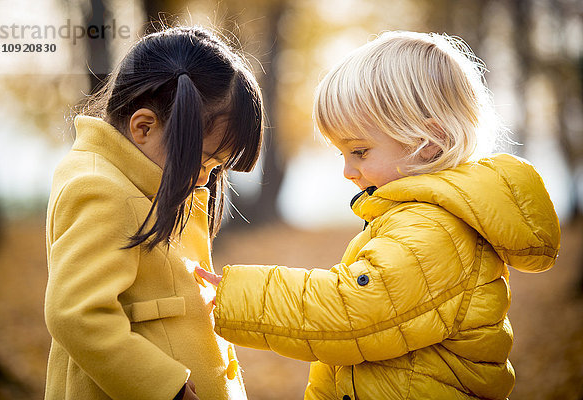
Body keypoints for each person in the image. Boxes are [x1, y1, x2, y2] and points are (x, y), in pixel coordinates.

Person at [195, 31, 561, 399]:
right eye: (342, 154)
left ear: (427, 142)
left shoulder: (437, 230)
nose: (347, 171)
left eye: (360, 151)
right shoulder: (421, 217)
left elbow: (353, 311)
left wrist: (235, 295)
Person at [44, 25, 263, 400]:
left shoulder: (140, 184)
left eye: (218, 168)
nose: (206, 180)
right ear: (144, 126)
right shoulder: (101, 190)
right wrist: (165, 388)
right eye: (205, 160)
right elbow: (77, 314)